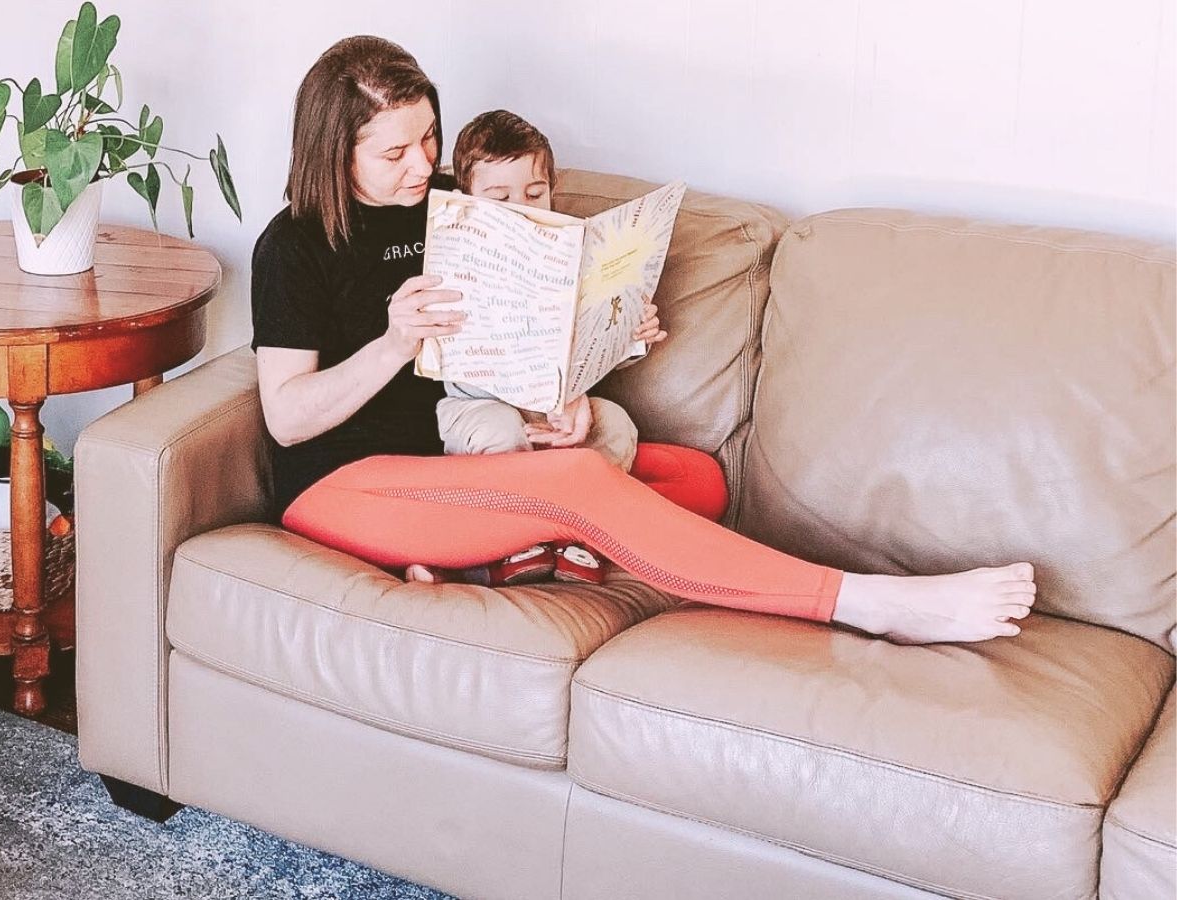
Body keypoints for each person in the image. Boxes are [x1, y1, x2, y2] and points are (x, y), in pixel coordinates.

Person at [253, 34, 1038, 645]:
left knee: (697, 480)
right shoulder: (292, 246)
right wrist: (393, 341)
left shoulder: (464, 205)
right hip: (346, 482)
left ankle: (495, 560)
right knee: (589, 489)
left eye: (429, 137)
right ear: (335, 151)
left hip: (463, 452)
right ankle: (867, 605)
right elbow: (287, 418)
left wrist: (606, 333)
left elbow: (523, 326)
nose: (424, 164)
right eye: (394, 152)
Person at [429, 109, 664, 586]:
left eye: (536, 194)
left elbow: (592, 341)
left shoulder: (570, 253)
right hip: (476, 405)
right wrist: (554, 398)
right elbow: (464, 361)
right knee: (499, 431)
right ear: (466, 201)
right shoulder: (455, 260)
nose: (524, 207)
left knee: (617, 424)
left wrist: (631, 333)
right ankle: (509, 543)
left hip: (557, 407)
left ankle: (580, 535)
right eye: (500, 197)